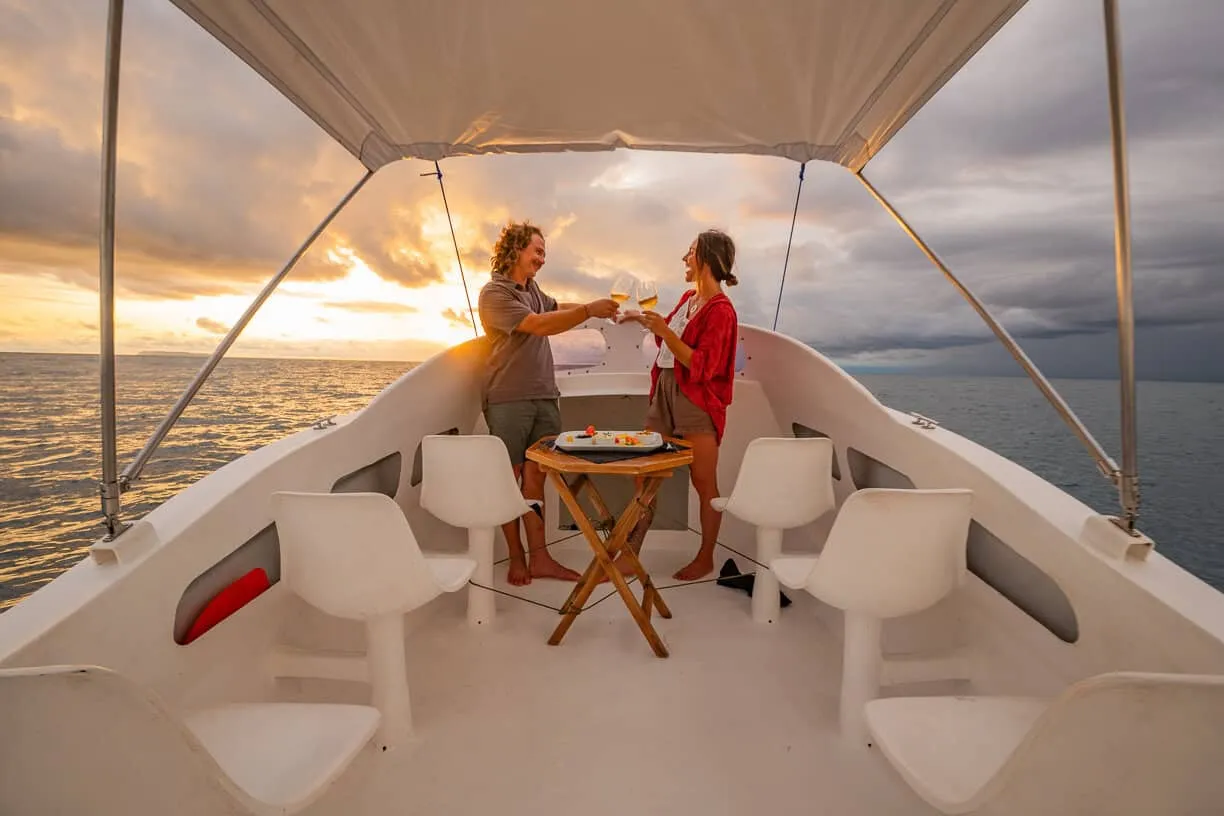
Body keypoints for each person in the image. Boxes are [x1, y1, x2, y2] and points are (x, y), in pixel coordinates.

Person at [477, 220, 621, 586]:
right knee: (507, 484)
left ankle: (541, 559)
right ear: (516, 249)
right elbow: (539, 324)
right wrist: (588, 310)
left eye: (544, 253)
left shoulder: (533, 289)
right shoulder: (494, 293)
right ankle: (516, 558)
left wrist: (601, 310)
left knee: (535, 481)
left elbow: (557, 307)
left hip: (544, 396)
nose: (542, 259)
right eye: (537, 251)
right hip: (509, 399)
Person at [619, 229, 740, 581]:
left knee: (704, 484)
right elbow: (664, 336)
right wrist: (635, 316)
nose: (684, 259)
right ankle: (630, 555)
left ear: (706, 259)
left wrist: (667, 333)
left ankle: (705, 558)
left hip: (697, 399)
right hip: (665, 391)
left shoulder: (722, 311)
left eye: (690, 253)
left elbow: (705, 366)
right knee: (644, 473)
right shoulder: (688, 298)